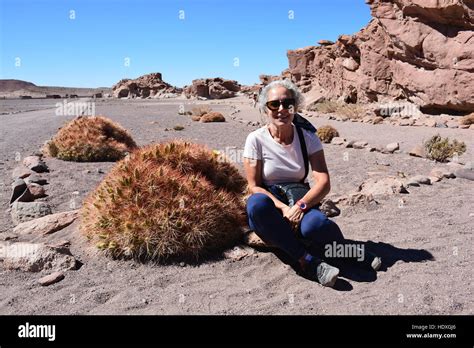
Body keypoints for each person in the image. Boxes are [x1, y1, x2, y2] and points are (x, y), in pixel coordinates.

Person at [243, 79, 380, 288]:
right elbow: (254, 185)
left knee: (317, 225)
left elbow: (323, 181)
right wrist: (284, 209)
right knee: (256, 204)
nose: (281, 109)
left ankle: (346, 250)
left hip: (299, 197)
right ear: (265, 108)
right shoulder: (256, 139)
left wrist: (300, 207)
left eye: (287, 103)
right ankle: (307, 261)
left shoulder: (307, 137)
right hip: (271, 203)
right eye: (274, 104)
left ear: (295, 106)